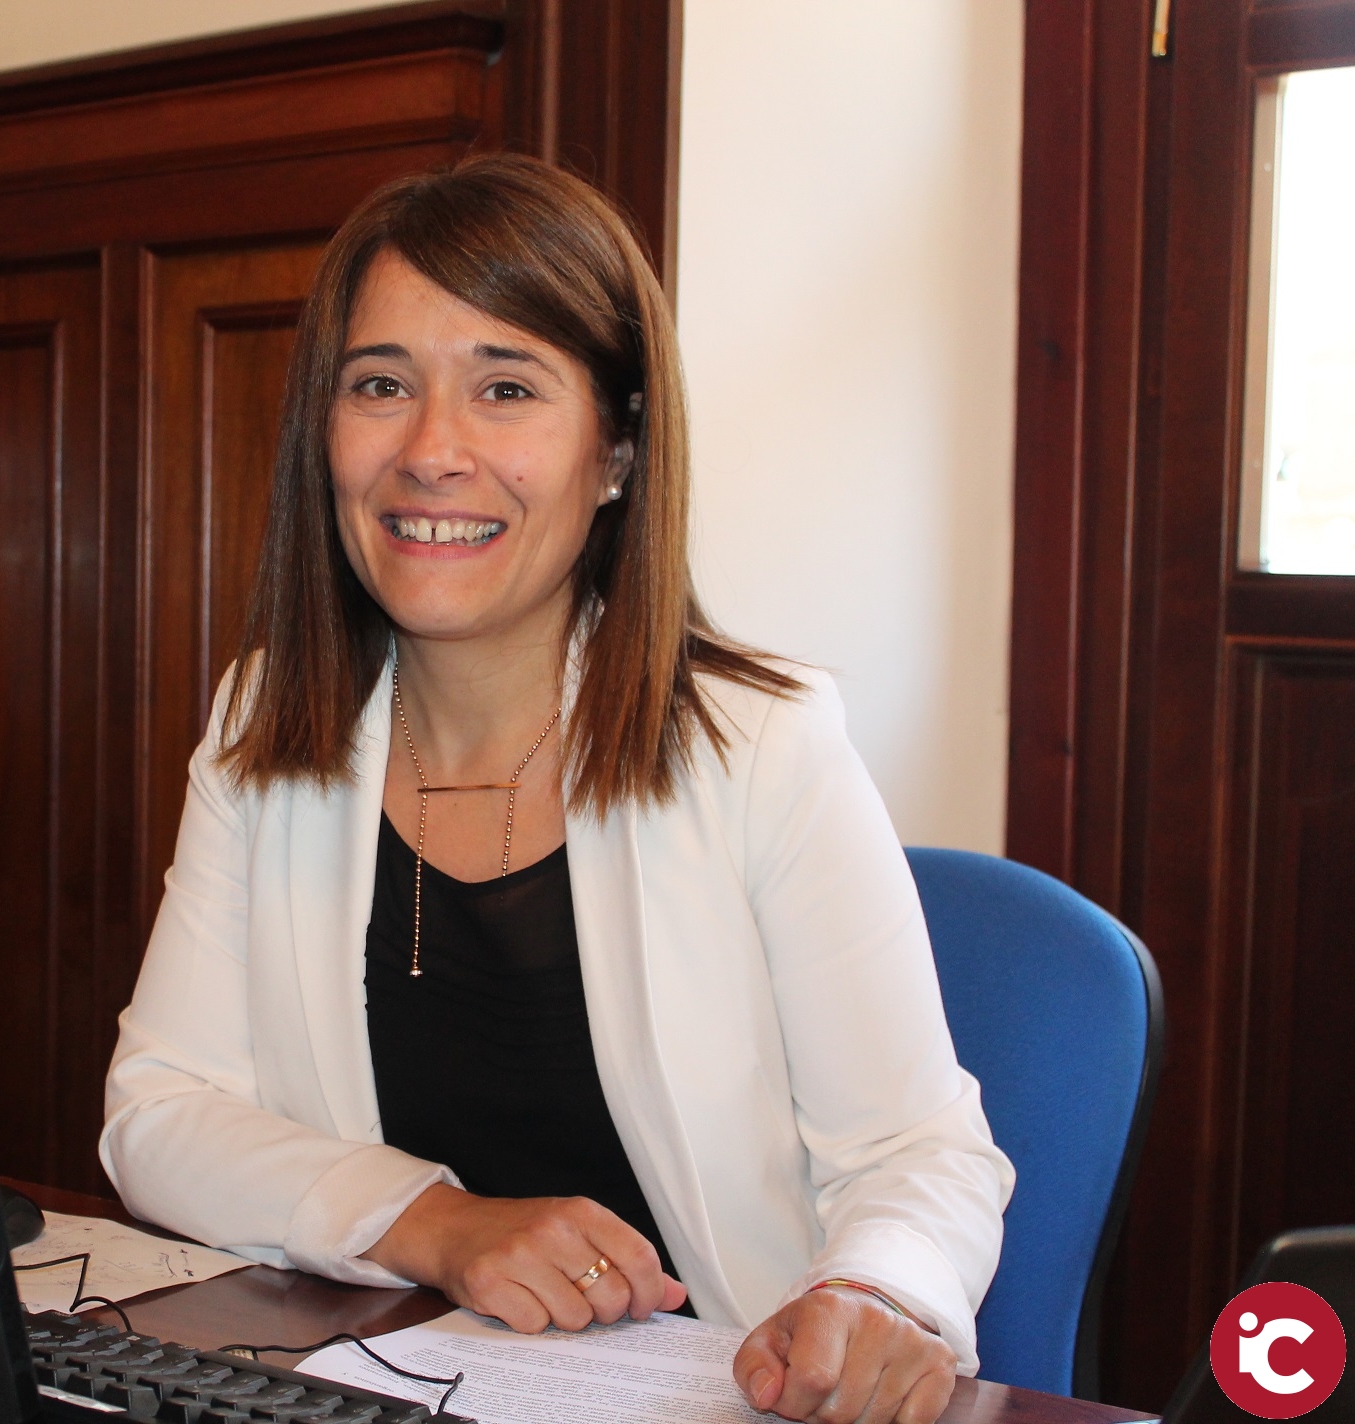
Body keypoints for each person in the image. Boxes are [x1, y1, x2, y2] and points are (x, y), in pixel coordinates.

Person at [100, 153, 1012, 1424]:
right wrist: (439, 1222)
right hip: (396, 1388)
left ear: (617, 450)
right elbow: (158, 1112)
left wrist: (877, 1290)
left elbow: (920, 1153)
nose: (431, 450)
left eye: (507, 388)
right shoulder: (267, 721)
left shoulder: (761, 742)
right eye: (381, 385)